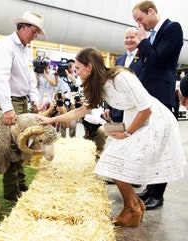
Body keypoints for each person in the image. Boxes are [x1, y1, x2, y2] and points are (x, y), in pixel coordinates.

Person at [37, 47, 186, 227]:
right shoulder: (98, 85)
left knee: (112, 160)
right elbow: (80, 111)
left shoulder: (121, 77)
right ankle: (135, 206)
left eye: (77, 68)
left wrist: (127, 132)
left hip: (154, 121)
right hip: (137, 120)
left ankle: (132, 209)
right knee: (112, 161)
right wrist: (50, 119)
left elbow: (146, 109)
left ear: (89, 67)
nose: (75, 72)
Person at [0, 11, 45, 201]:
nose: (35, 35)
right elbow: (0, 78)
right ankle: (11, 191)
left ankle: (20, 182)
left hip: (22, 102)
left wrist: (35, 99)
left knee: (21, 144)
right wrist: (7, 108)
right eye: (34, 31)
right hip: (9, 101)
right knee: (11, 146)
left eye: (37, 32)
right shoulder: (4, 46)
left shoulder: (26, 50)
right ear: (23, 27)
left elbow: (30, 79)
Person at [132, 0, 183, 210]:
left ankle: (158, 194)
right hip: (148, 97)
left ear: (151, 11)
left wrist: (143, 41)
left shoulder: (173, 29)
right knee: (149, 146)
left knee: (161, 147)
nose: (139, 25)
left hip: (161, 95)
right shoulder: (152, 34)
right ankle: (151, 189)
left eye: (140, 19)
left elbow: (157, 60)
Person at [104, 27, 144, 123]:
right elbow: (112, 83)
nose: (129, 40)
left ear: (138, 38)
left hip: (135, 109)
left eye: (132, 37)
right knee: (119, 137)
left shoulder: (144, 58)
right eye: (126, 37)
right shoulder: (119, 60)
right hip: (118, 111)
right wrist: (107, 106)